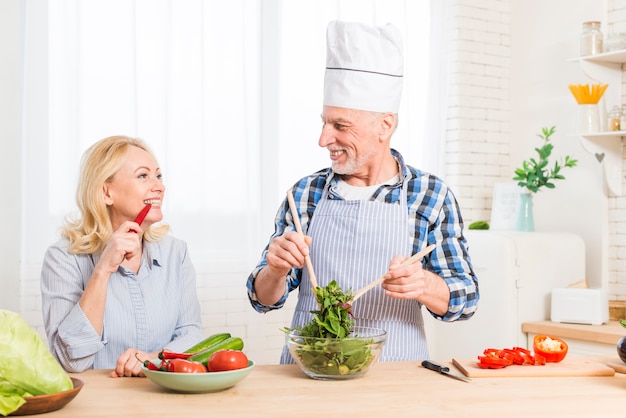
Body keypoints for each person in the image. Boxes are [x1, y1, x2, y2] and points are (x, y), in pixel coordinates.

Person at [246, 20, 479, 363]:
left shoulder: (430, 195)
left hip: (396, 378)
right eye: (324, 122)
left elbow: (466, 299)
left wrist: (424, 285)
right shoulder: (305, 193)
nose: (323, 139)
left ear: (384, 125)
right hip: (310, 374)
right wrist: (276, 269)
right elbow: (263, 299)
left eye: (340, 126)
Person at [41, 135, 204, 377]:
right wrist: (103, 270)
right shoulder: (63, 258)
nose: (159, 186)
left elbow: (191, 336)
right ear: (107, 193)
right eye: (143, 175)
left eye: (158, 176)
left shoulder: (175, 253)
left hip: (163, 397)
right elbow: (71, 361)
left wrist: (153, 359)